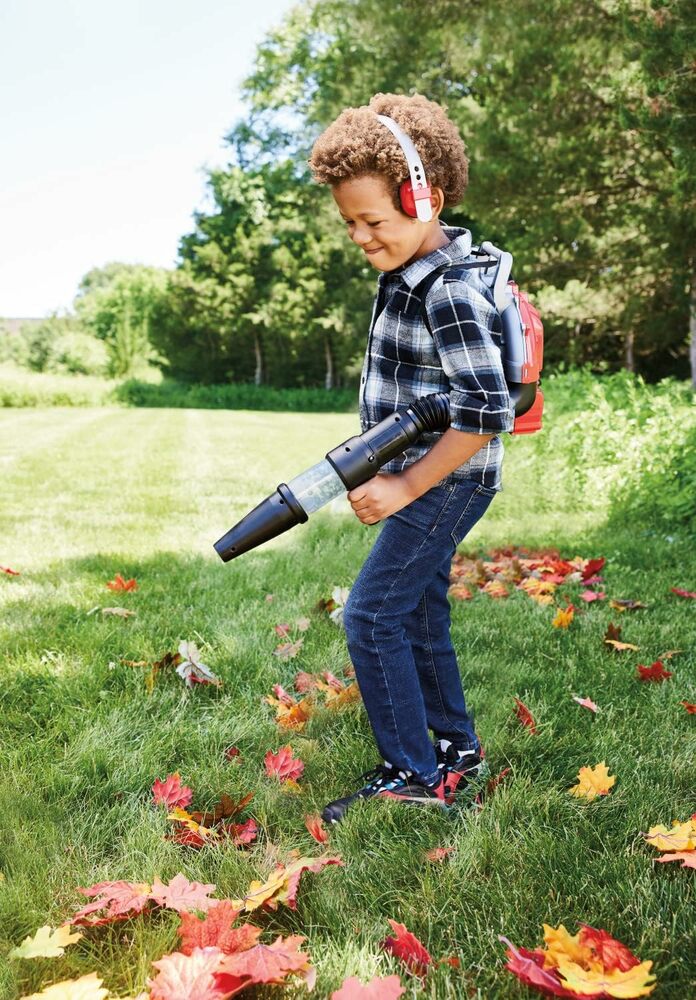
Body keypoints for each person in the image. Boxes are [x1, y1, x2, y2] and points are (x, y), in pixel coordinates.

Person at [307, 92, 514, 824]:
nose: (361, 236)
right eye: (351, 224)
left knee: (370, 616)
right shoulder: (413, 272)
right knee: (419, 613)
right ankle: (456, 750)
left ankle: (410, 773)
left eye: (373, 220)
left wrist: (403, 488)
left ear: (424, 197)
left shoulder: (449, 291)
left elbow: (488, 412)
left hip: (444, 480)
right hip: (433, 476)